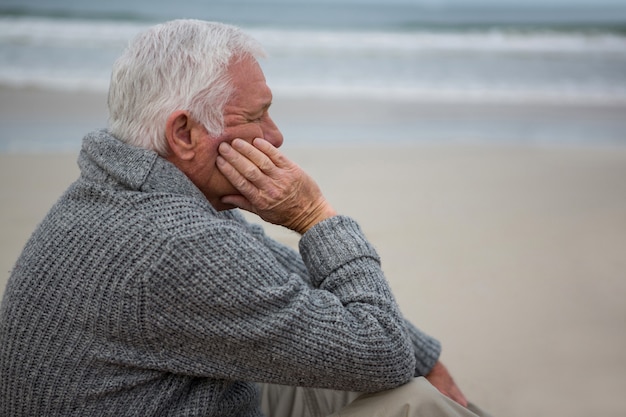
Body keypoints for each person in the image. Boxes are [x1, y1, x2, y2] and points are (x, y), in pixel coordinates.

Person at [0, 20, 492, 417]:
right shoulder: (178, 243)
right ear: (185, 133)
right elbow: (383, 354)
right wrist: (316, 217)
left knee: (412, 383)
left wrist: (427, 357)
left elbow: (272, 272)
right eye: (255, 117)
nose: (275, 136)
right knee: (416, 403)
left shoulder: (120, 187)